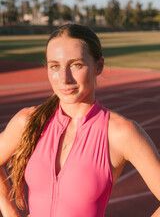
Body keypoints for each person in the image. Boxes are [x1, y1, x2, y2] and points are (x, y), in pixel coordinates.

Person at [0, 24, 160, 217]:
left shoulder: (120, 132)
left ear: (98, 66)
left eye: (76, 65)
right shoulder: (27, 122)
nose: (64, 78)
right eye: (55, 66)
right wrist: (10, 213)